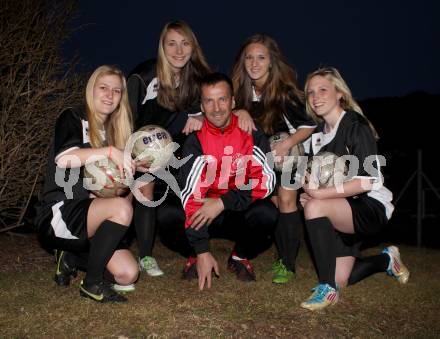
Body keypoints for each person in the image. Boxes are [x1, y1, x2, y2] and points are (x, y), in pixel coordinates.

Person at [299, 67, 410, 311]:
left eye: (322, 90)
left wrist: (318, 197)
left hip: (370, 205)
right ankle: (387, 260)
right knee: (344, 278)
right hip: (342, 207)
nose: (315, 97)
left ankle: (326, 289)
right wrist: (308, 192)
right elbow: (314, 179)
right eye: (310, 93)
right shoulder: (317, 136)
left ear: (339, 93)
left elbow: (366, 182)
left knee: (317, 206)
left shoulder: (355, 126)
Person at [160, 72, 277, 290]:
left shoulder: (250, 132)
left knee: (266, 213)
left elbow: (266, 181)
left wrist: (224, 202)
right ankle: (193, 255)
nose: (216, 108)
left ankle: (240, 256)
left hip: (236, 212)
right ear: (202, 107)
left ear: (233, 101)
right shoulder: (195, 138)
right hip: (203, 213)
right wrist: (202, 249)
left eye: (222, 99)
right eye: (209, 101)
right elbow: (191, 194)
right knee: (167, 214)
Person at [35, 65, 139, 303]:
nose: (109, 95)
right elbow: (64, 159)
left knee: (128, 274)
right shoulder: (72, 116)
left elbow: (113, 190)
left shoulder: (114, 132)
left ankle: (70, 256)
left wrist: (129, 175)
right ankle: (92, 284)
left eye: (116, 91)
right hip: (57, 212)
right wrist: (110, 152)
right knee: (121, 208)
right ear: (91, 89)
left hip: (89, 214)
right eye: (103, 87)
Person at [126, 20, 211, 277]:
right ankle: (101, 246)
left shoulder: (193, 79)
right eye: (171, 43)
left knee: (148, 191)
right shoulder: (144, 75)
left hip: (162, 145)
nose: (178, 50)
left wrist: (198, 117)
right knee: (124, 195)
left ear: (192, 47)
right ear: (162, 46)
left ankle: (146, 255)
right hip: (131, 138)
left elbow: (209, 111)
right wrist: (127, 155)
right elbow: (123, 118)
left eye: (185, 43)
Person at [231, 34, 316, 284]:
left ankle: (287, 265)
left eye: (261, 57)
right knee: (276, 201)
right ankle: (280, 255)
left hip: (291, 150)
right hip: (264, 156)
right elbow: (224, 112)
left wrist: (287, 144)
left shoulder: (284, 92)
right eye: (249, 57)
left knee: (287, 200)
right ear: (242, 61)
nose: (254, 63)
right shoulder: (241, 92)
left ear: (271, 62)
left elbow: (309, 126)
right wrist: (241, 110)